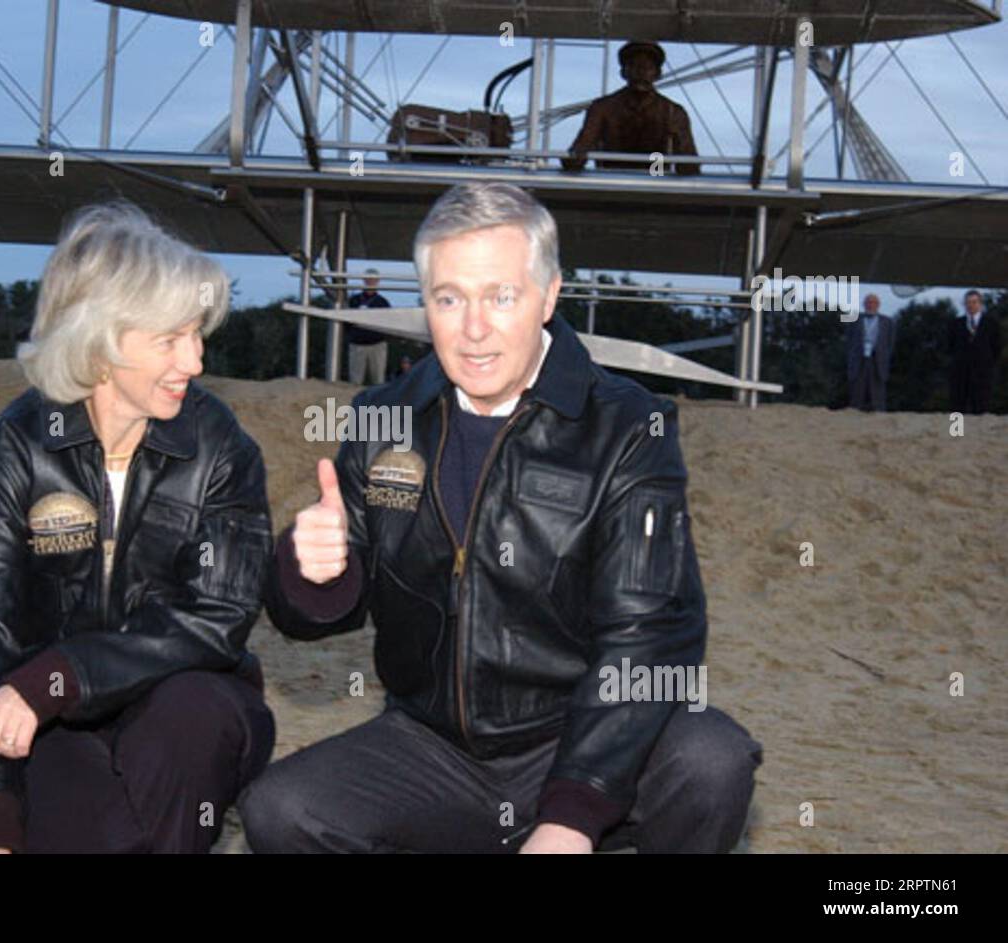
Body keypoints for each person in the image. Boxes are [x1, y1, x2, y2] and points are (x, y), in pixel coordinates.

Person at [240, 182, 761, 854]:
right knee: (281, 809)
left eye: (501, 296)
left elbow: (652, 632)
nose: (473, 327)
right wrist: (312, 571)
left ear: (548, 296)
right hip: (432, 746)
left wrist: (572, 813)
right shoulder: (384, 415)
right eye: (449, 298)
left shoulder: (629, 425)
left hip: (577, 733)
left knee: (710, 759)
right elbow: (316, 613)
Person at [0, 201, 275, 854]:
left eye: (198, 334)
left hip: (188, 701)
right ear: (101, 340)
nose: (196, 361)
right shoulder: (10, 451)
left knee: (192, 721)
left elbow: (216, 619)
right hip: (57, 726)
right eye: (171, 339)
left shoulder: (220, 448)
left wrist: (58, 674)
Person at [562, 42, 700, 176]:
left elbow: (689, 164)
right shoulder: (602, 108)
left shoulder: (673, 112)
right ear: (623, 72)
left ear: (658, 74)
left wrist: (681, 151)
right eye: (633, 66)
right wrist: (575, 158)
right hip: (611, 182)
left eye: (648, 67)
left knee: (656, 167)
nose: (641, 72)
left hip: (656, 181)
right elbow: (580, 150)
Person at [948, 289, 1000, 415]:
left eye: (974, 302)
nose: (971, 305)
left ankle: (981, 432)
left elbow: (996, 346)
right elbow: (950, 345)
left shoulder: (991, 324)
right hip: (960, 370)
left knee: (981, 403)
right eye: (968, 302)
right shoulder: (956, 324)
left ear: (980, 304)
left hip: (983, 370)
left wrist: (988, 362)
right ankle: (956, 432)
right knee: (958, 404)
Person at [846, 293, 895, 411]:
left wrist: (885, 357)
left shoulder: (888, 322)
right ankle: (854, 411)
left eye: (873, 303)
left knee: (878, 389)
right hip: (859, 359)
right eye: (868, 303)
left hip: (878, 359)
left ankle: (879, 412)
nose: (871, 305)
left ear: (878, 305)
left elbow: (890, 342)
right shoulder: (854, 320)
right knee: (857, 388)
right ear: (864, 304)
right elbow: (849, 340)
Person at [346, 268, 392, 385]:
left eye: (373, 279)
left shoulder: (383, 302)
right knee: (355, 381)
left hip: (377, 345)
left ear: (378, 281)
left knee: (378, 381)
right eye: (368, 279)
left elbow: (388, 324)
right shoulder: (354, 300)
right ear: (364, 280)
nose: (371, 281)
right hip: (357, 345)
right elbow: (347, 322)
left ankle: (378, 403)